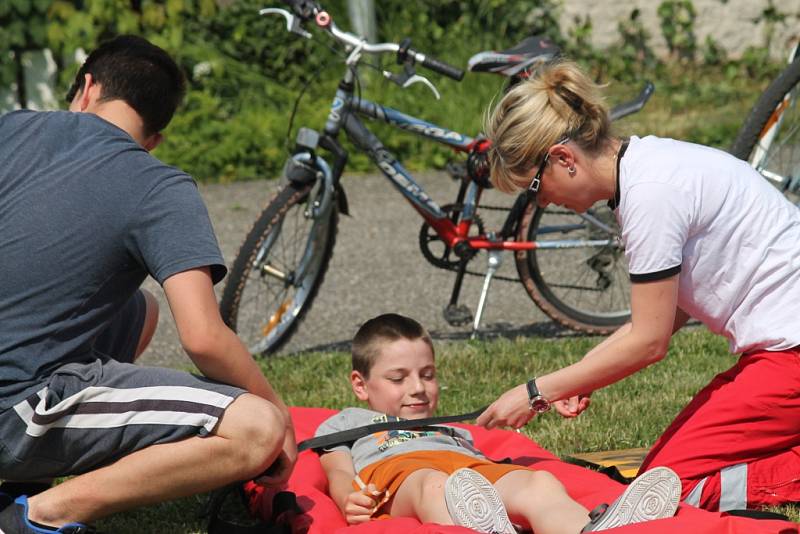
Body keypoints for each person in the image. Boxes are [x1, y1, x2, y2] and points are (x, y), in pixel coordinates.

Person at [0, 35, 296, 533]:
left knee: (140, 311)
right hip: (13, 408)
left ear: (87, 88)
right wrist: (279, 413)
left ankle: (14, 481)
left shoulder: (11, 128)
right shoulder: (159, 185)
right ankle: (34, 518)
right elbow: (204, 337)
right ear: (154, 137)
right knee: (256, 428)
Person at [477, 58, 800, 513]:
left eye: (534, 187)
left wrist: (536, 392)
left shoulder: (649, 194)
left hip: (790, 355)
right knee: (661, 476)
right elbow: (670, 312)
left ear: (563, 158)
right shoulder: (648, 167)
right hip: (784, 349)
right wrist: (586, 372)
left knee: (667, 491)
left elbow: (649, 341)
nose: (543, 200)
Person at [314, 313, 681, 533]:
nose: (418, 389)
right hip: (401, 476)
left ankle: (588, 529)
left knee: (540, 482)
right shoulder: (347, 421)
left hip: (471, 473)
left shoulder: (453, 431)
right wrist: (349, 498)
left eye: (427, 374)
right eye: (398, 379)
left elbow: (481, 470)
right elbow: (337, 472)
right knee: (438, 486)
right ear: (360, 385)